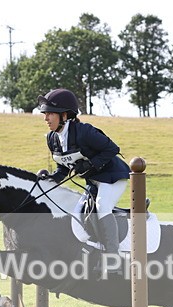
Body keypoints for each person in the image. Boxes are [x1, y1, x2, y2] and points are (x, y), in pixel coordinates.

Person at [38, 88, 129, 273]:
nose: (45, 118)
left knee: (102, 206)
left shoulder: (84, 132)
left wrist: (89, 165)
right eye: (45, 114)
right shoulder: (52, 138)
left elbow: (112, 149)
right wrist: (49, 179)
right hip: (92, 182)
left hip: (112, 176)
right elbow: (63, 168)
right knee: (78, 215)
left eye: (49, 114)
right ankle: (95, 251)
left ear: (64, 115)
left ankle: (113, 258)